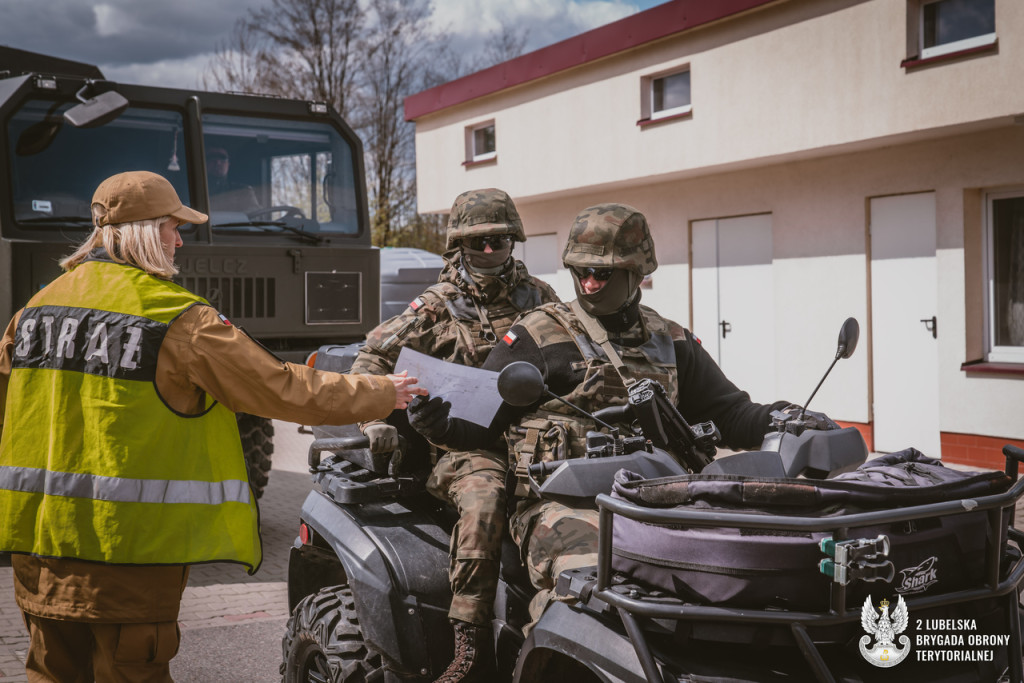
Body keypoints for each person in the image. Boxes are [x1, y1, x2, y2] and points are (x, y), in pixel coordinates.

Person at [0, 170, 425, 682]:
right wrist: (382, 392)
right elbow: (282, 388)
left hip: (39, 555)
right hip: (127, 561)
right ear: (140, 231)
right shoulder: (178, 319)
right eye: (172, 227)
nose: (179, 240)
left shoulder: (35, 310)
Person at [408, 203, 838, 626]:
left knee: (751, 570)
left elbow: (729, 411)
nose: (590, 284)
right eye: (581, 272)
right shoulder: (534, 336)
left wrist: (785, 417)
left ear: (639, 272)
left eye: (603, 272)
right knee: (594, 594)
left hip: (663, 498)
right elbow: (478, 423)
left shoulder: (671, 339)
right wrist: (437, 423)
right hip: (562, 505)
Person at [350, 188, 560, 682]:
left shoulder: (542, 300)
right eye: (478, 243)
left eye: (499, 241)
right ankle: (467, 642)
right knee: (486, 498)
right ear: (458, 248)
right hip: (463, 448)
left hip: (537, 436)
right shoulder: (436, 306)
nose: (490, 252)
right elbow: (371, 360)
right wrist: (375, 419)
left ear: (514, 241)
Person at [205, 146, 261, 213]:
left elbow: (255, 215)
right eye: (211, 157)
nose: (218, 162)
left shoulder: (243, 191)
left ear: (228, 164)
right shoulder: (194, 191)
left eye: (223, 158)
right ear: (204, 162)